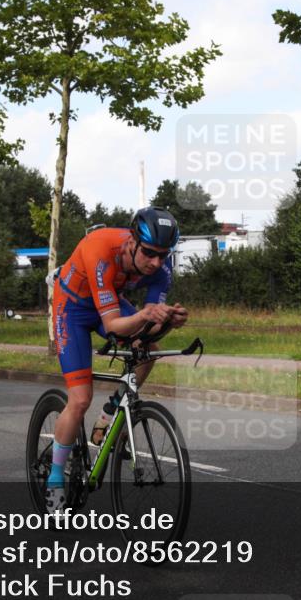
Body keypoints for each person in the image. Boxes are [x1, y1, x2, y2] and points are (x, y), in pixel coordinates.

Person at [47, 207, 189, 513]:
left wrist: (168, 320)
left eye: (163, 255)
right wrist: (145, 315)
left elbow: (146, 327)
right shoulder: (102, 249)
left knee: (148, 348)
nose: (156, 262)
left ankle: (111, 412)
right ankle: (55, 478)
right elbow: (112, 325)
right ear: (131, 243)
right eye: (149, 253)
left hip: (106, 302)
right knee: (80, 398)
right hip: (71, 308)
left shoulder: (161, 270)